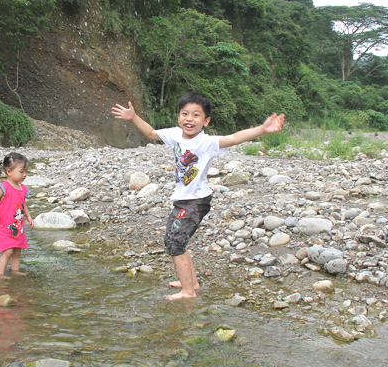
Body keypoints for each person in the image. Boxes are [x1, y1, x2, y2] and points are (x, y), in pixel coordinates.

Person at [112, 92, 285, 300]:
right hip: (183, 199)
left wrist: (262, 129)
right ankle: (191, 282)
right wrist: (133, 117)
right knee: (177, 240)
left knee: (174, 243)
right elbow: (150, 133)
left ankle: (188, 292)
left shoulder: (207, 143)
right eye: (185, 114)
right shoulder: (174, 135)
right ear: (178, 116)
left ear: (206, 120)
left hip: (196, 201)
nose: (189, 119)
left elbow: (234, 137)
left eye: (196, 115)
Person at [0, 152, 34, 278]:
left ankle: (15, 271)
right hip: (5, 226)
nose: (24, 174)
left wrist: (28, 216)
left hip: (18, 227)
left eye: (26, 171)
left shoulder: (23, 189)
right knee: (8, 251)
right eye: (21, 171)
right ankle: (0, 274)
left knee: (17, 250)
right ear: (9, 172)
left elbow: (22, 205)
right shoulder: (3, 188)